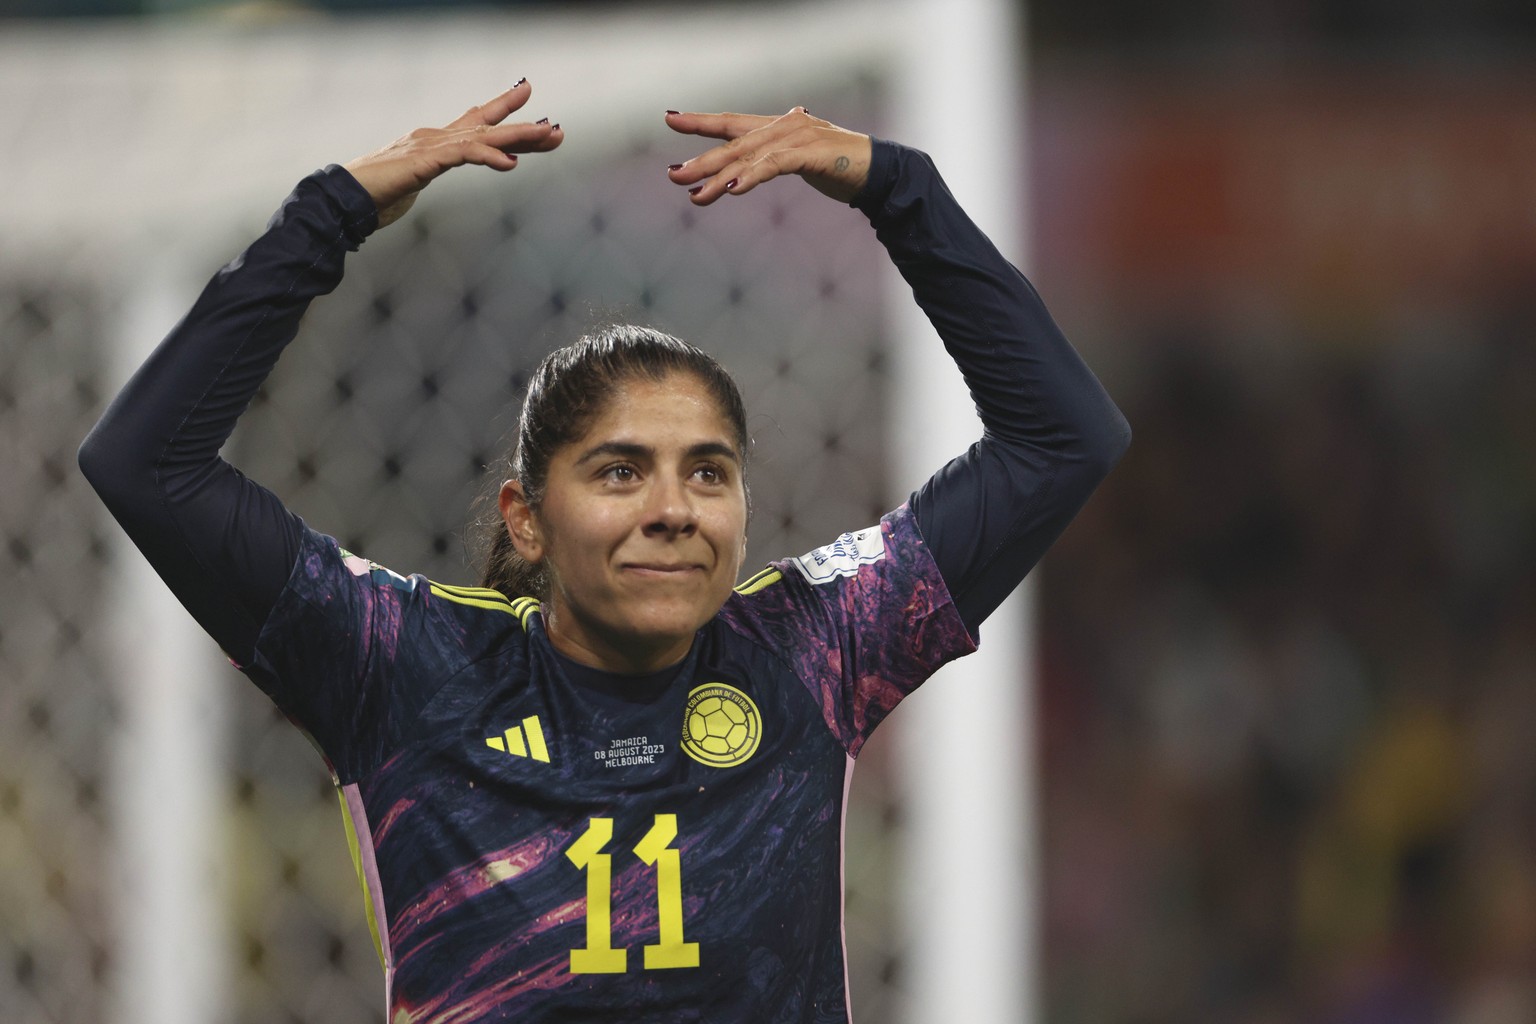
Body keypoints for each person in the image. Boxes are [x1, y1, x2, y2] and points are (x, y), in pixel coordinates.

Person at [80, 81, 1129, 1023]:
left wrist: (899, 186)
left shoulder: (815, 646)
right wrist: (330, 215)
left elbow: (1064, 435)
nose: (674, 508)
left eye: (709, 472)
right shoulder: (402, 667)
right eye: (622, 471)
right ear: (526, 518)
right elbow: (147, 464)